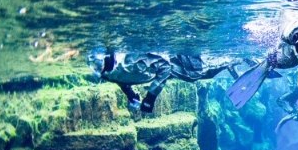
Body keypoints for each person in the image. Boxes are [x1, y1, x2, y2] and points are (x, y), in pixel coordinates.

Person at [88, 51, 245, 113]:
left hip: (174, 60)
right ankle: (230, 63)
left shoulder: (128, 61)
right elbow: (121, 80)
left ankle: (233, 60)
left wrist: (150, 97)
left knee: (195, 74)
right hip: (163, 70)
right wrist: (130, 95)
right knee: (197, 75)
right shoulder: (108, 75)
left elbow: (165, 65)